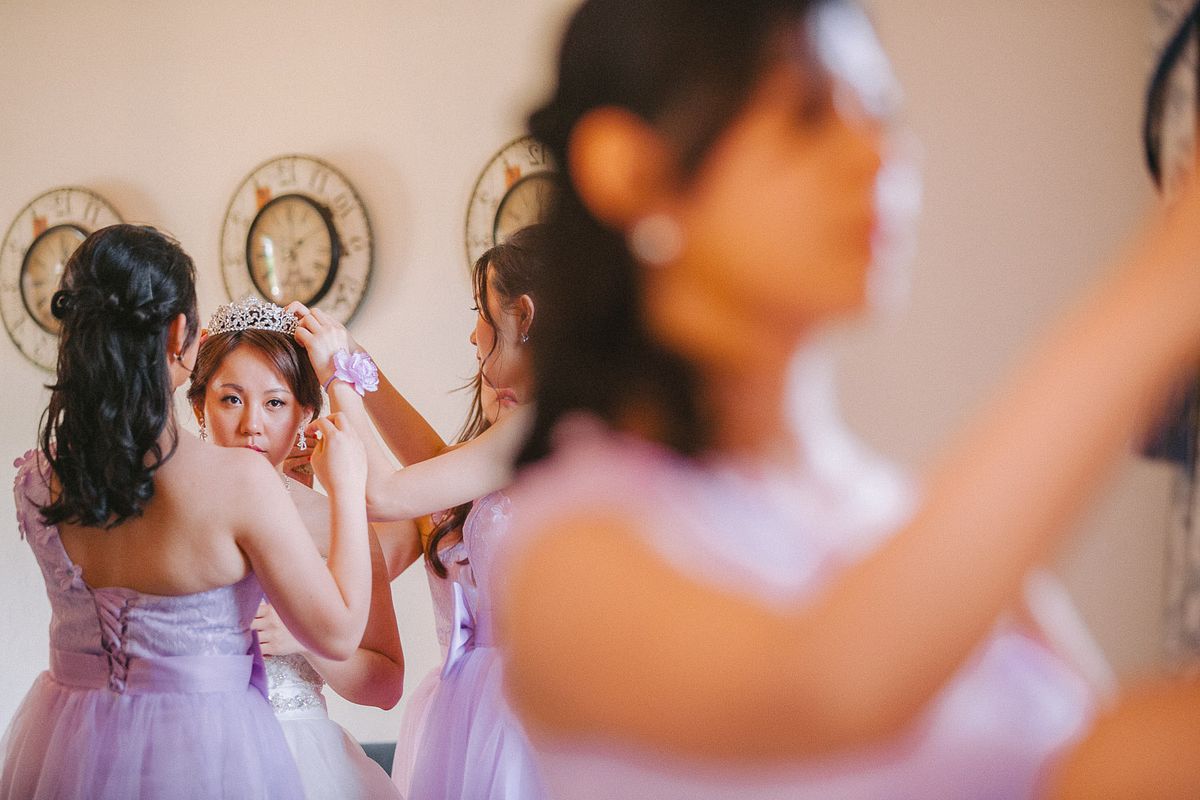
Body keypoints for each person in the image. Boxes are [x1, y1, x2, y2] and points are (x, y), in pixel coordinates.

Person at [494, 1, 1200, 798]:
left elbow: (1094, 765)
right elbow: (827, 683)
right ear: (630, 168)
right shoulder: (570, 556)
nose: (877, 155)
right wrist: (1167, 279)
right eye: (806, 116)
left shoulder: (906, 522)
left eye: (884, 116)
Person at [0, 224, 372, 800]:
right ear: (181, 334)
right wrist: (347, 486)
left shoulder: (39, 478)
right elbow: (341, 633)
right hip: (203, 754)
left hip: (68, 746)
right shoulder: (238, 482)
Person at [287, 224, 550, 799]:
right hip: (472, 702)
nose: (473, 332)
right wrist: (361, 364)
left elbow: (383, 492)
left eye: (479, 310)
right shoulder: (516, 435)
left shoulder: (534, 428)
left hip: (518, 709)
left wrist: (337, 377)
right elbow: (435, 466)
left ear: (522, 318)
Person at [187, 296, 404, 800]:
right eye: (231, 399)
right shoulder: (174, 512)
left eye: (275, 402)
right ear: (200, 405)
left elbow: (386, 686)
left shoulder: (336, 521)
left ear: (306, 412)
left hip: (301, 763)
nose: (252, 425)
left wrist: (305, 639)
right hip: (190, 754)